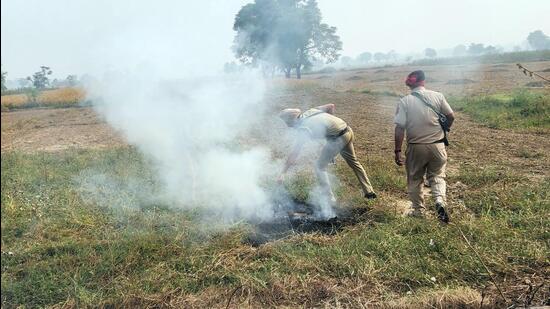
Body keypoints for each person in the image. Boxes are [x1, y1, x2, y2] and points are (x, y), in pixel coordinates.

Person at [278, 104, 377, 204]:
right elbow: (331, 106)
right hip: (347, 131)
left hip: (338, 139)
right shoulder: (311, 111)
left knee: (319, 167)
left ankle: (329, 199)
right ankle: (369, 192)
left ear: (291, 119)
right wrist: (330, 127)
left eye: (286, 122)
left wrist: (283, 173)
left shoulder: (303, 128)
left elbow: (295, 152)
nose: (287, 125)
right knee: (354, 162)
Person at [393, 70, 455, 223]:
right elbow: (451, 116)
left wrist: (397, 151)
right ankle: (440, 201)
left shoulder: (404, 101)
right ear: (423, 81)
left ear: (410, 83)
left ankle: (418, 211)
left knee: (415, 178)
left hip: (416, 147)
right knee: (437, 176)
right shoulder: (438, 96)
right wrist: (444, 128)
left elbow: (400, 128)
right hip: (437, 146)